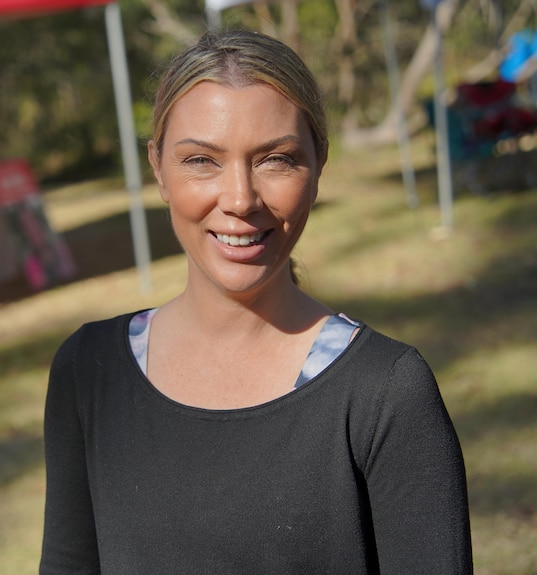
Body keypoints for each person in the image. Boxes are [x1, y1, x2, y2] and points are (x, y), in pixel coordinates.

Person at [40, 29, 472, 574]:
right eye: (201, 160)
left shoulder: (385, 392)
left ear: (318, 166)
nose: (241, 199)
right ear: (158, 169)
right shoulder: (89, 370)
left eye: (276, 159)